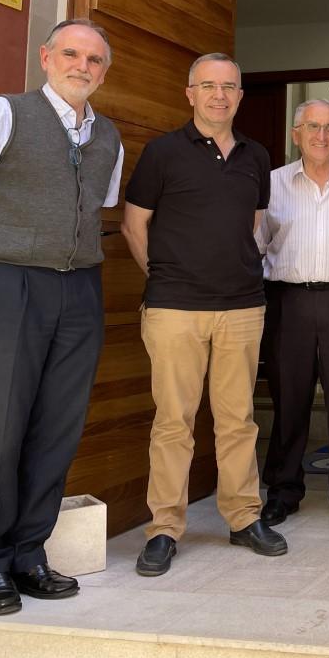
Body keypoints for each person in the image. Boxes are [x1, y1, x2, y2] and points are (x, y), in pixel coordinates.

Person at [0, 18, 122, 615]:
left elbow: (97, 212)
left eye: (93, 60)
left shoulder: (108, 135)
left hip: (78, 288)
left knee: (57, 428)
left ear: (103, 71)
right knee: (0, 427)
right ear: (45, 57)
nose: (81, 66)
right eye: (70, 54)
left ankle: (29, 554)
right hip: (7, 282)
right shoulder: (0, 113)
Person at [121, 52, 287, 576]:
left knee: (239, 420)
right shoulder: (162, 153)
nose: (220, 95)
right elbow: (133, 224)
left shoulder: (257, 156)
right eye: (208, 86)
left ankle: (243, 518)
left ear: (240, 96)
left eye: (230, 87)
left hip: (241, 307)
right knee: (174, 422)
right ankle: (165, 529)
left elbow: (255, 224)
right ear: (190, 93)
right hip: (175, 309)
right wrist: (166, 278)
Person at [256, 99, 329, 527]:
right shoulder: (271, 185)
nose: (322, 136)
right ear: (296, 135)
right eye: (313, 128)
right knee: (289, 398)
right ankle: (283, 489)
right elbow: (256, 245)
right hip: (289, 301)